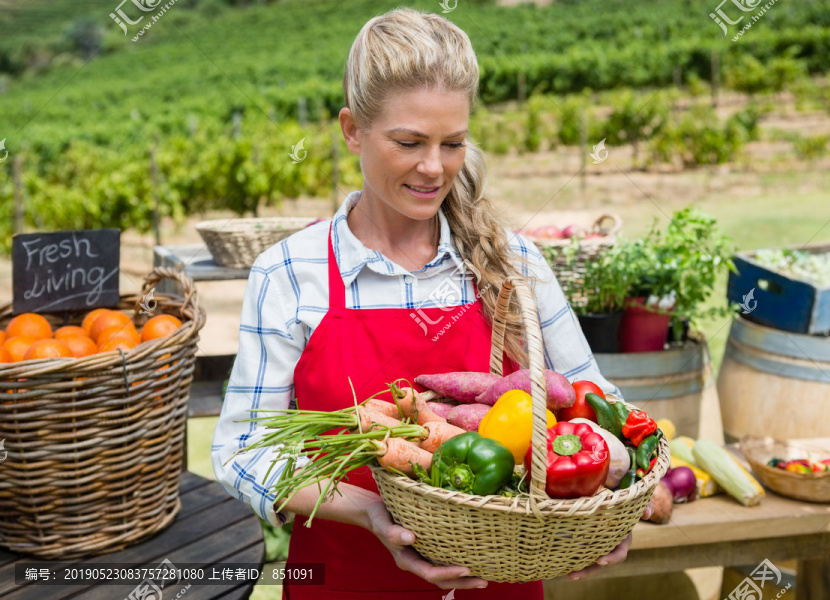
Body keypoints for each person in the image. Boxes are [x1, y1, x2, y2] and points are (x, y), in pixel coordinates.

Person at [211, 8, 651, 599]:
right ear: (351, 130)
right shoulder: (291, 272)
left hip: (496, 586)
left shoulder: (512, 264)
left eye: (454, 144)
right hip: (344, 581)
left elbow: (597, 407)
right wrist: (371, 511)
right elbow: (244, 452)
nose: (434, 167)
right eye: (409, 142)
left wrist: (611, 506)